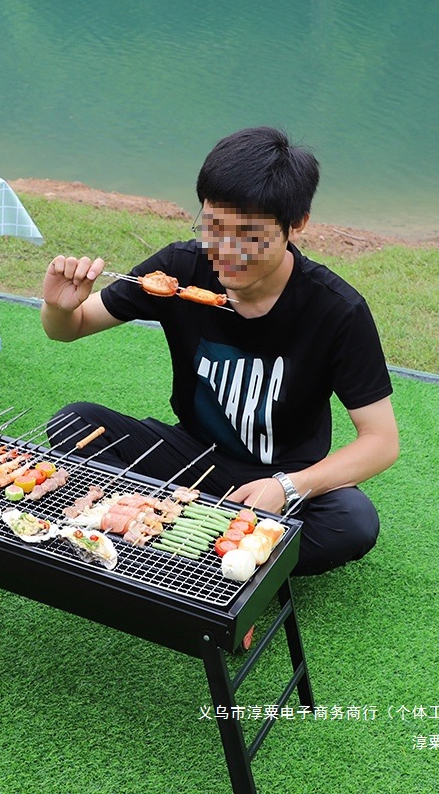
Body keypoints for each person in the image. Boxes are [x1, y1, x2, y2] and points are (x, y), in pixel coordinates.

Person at [41, 126, 399, 576]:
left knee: (352, 522)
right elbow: (71, 327)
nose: (226, 251)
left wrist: (287, 488)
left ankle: (174, 540)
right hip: (193, 455)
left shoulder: (336, 310)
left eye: (249, 236)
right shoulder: (180, 268)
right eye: (213, 228)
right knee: (74, 423)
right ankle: (183, 532)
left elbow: (381, 442)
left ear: (297, 224)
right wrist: (59, 307)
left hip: (280, 474)